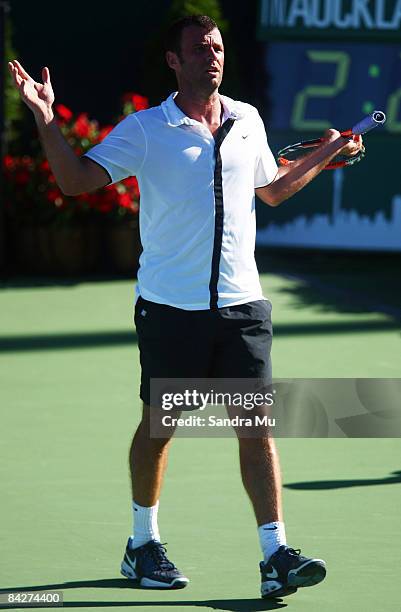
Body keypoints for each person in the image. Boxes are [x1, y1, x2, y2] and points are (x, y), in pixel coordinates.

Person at [9, 14, 363, 600]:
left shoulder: (247, 119)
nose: (212, 56)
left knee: (256, 428)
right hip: (171, 310)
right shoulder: (147, 130)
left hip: (242, 305)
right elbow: (73, 182)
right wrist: (46, 119)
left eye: (218, 47)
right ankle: (140, 543)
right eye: (199, 49)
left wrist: (324, 155)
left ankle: (275, 554)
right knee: (163, 425)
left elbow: (271, 188)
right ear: (173, 61)